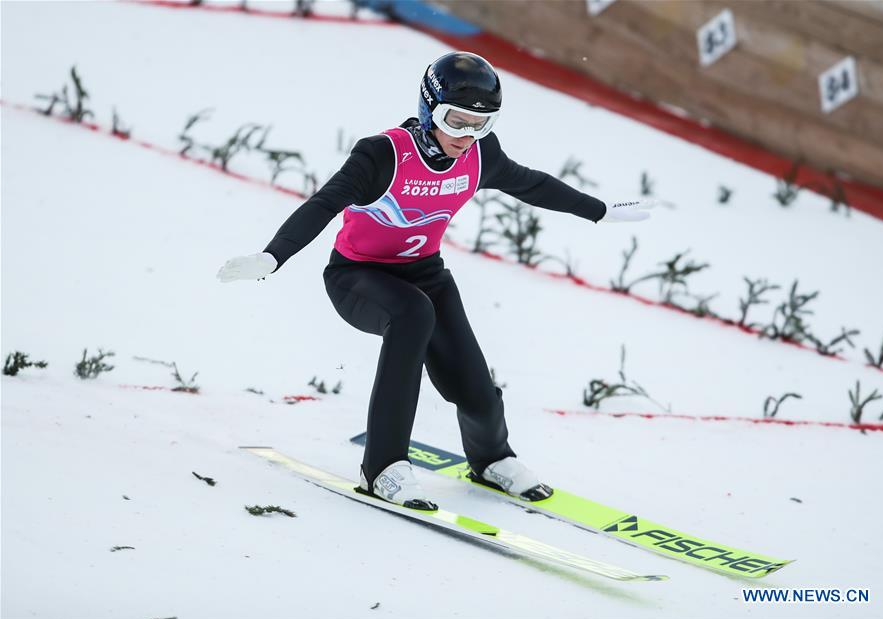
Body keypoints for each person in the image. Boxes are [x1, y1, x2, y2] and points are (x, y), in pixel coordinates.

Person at [217, 51, 653, 510]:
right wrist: (274, 255)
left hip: (426, 275)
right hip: (357, 276)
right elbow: (324, 203)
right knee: (412, 314)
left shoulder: (480, 154)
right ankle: (382, 467)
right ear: (429, 111)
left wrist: (598, 210)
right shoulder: (382, 155)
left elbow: (531, 183)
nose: (467, 137)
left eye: (480, 125)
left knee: (474, 387)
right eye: (456, 122)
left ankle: (491, 458)